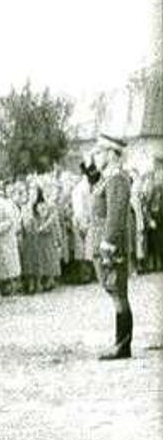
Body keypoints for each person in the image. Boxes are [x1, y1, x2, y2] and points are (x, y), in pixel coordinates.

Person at [89, 135, 136, 360]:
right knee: (115, 292)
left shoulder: (116, 178)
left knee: (118, 293)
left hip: (112, 246)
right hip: (107, 244)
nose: (95, 156)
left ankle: (122, 345)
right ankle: (121, 343)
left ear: (110, 153)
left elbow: (115, 215)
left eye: (99, 152)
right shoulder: (108, 178)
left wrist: (107, 244)